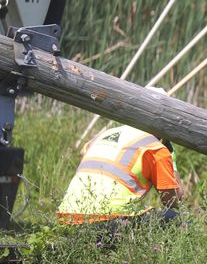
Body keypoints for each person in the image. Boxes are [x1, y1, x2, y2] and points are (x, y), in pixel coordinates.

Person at [57, 88, 183, 227]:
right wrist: (172, 160)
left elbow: (84, 152)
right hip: (107, 220)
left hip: (66, 220)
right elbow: (172, 201)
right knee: (175, 219)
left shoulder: (104, 134)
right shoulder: (155, 148)